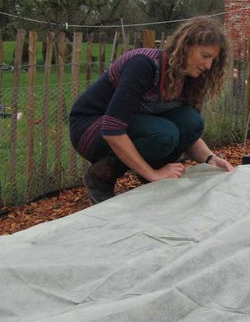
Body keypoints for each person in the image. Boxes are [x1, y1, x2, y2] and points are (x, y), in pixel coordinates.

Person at [69, 16, 235, 203]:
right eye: (205, 56)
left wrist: (210, 159)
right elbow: (112, 130)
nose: (208, 66)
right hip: (90, 129)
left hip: (131, 125)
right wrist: (153, 174)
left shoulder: (190, 78)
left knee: (192, 122)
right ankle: (101, 176)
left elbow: (189, 133)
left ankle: (152, 174)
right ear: (185, 46)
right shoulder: (143, 65)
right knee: (164, 134)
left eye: (212, 59)